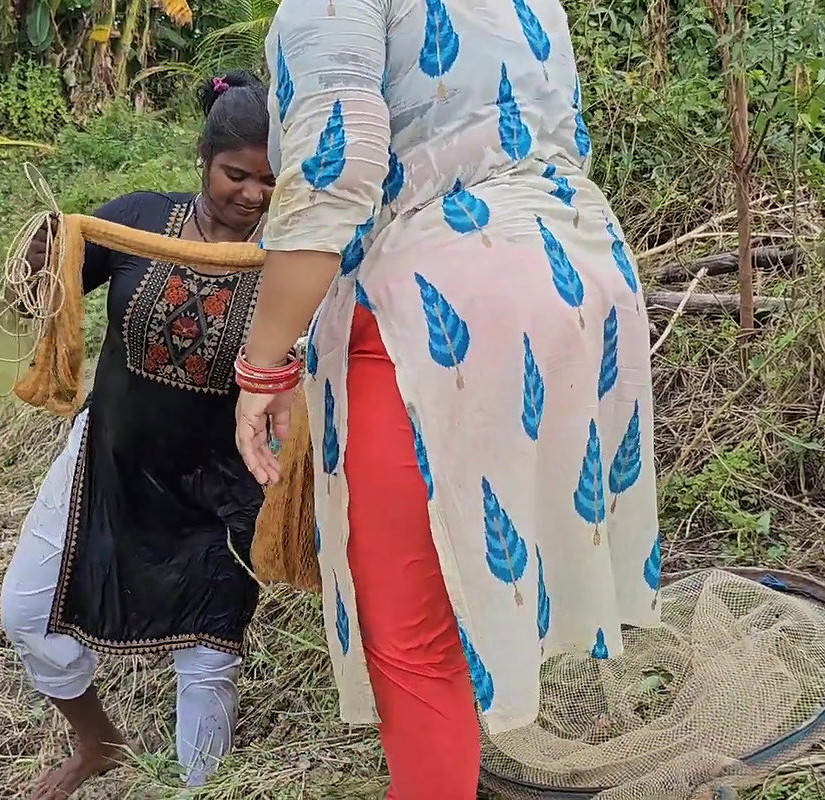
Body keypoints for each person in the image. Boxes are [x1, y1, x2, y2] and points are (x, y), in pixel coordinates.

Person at [231, 2, 664, 799]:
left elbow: (339, 166)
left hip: (444, 306)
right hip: (576, 272)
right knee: (481, 576)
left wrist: (263, 366)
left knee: (412, 635)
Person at [0, 70, 276, 799]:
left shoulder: (293, 264)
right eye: (236, 174)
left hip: (220, 490)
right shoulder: (136, 221)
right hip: (108, 462)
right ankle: (99, 745)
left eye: (271, 181)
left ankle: (197, 788)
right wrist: (35, 267)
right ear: (203, 159)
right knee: (27, 613)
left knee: (207, 659)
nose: (251, 195)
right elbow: (42, 295)